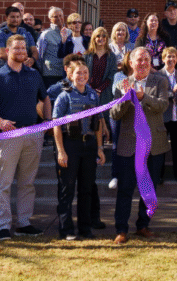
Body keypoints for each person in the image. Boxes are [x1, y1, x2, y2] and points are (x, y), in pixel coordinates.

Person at [0, 34, 51, 241]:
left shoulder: (34, 75)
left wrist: (47, 120)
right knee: (4, 183)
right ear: (7, 51)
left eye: (23, 49)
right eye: (16, 48)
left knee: (27, 183)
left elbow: (45, 98)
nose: (21, 52)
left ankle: (24, 223)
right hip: (6, 137)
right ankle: (3, 225)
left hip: (32, 135)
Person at [110, 47, 171, 244]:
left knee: (149, 189)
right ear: (131, 62)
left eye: (147, 59)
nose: (143, 63)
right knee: (126, 189)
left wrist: (144, 97)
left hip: (154, 145)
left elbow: (163, 106)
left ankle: (143, 226)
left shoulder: (160, 81)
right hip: (130, 145)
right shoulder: (122, 83)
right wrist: (127, 98)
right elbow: (114, 114)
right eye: (139, 60)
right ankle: (121, 229)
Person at [52, 57, 107, 240]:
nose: (82, 76)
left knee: (86, 189)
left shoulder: (93, 95)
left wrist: (99, 148)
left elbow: (98, 123)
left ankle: (85, 228)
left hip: (89, 145)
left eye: (85, 72)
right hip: (70, 145)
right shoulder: (64, 96)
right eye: (78, 73)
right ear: (70, 74)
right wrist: (61, 150)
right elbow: (56, 125)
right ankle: (66, 229)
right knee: (67, 188)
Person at [160, 47, 177, 183]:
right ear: (163, 59)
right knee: (161, 147)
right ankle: (159, 175)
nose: (171, 59)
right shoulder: (158, 75)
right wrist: (172, 92)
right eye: (168, 57)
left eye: (173, 57)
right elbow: (159, 96)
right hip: (164, 117)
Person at [37, 6, 67, 87]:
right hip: (50, 75)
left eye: (60, 16)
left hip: (67, 74)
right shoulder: (45, 35)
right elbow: (39, 55)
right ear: (50, 19)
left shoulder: (70, 33)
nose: (59, 18)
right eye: (55, 16)